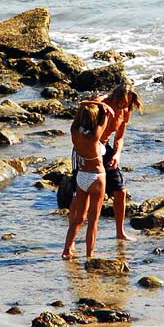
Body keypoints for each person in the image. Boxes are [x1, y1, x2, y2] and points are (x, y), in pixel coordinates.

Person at [62, 101, 113, 259]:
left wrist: (91, 103)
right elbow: (108, 114)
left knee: (78, 218)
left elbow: (82, 105)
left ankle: (66, 250)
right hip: (97, 177)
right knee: (93, 220)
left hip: (81, 177)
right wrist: (104, 107)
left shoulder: (74, 131)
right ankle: (90, 254)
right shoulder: (95, 135)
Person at [95, 82, 144, 241]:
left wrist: (117, 155)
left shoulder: (126, 111)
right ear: (115, 96)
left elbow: (120, 137)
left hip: (105, 147)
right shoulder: (101, 103)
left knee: (120, 191)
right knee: (87, 193)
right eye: (122, 101)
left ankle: (120, 232)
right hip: (88, 147)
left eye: (128, 102)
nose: (123, 105)